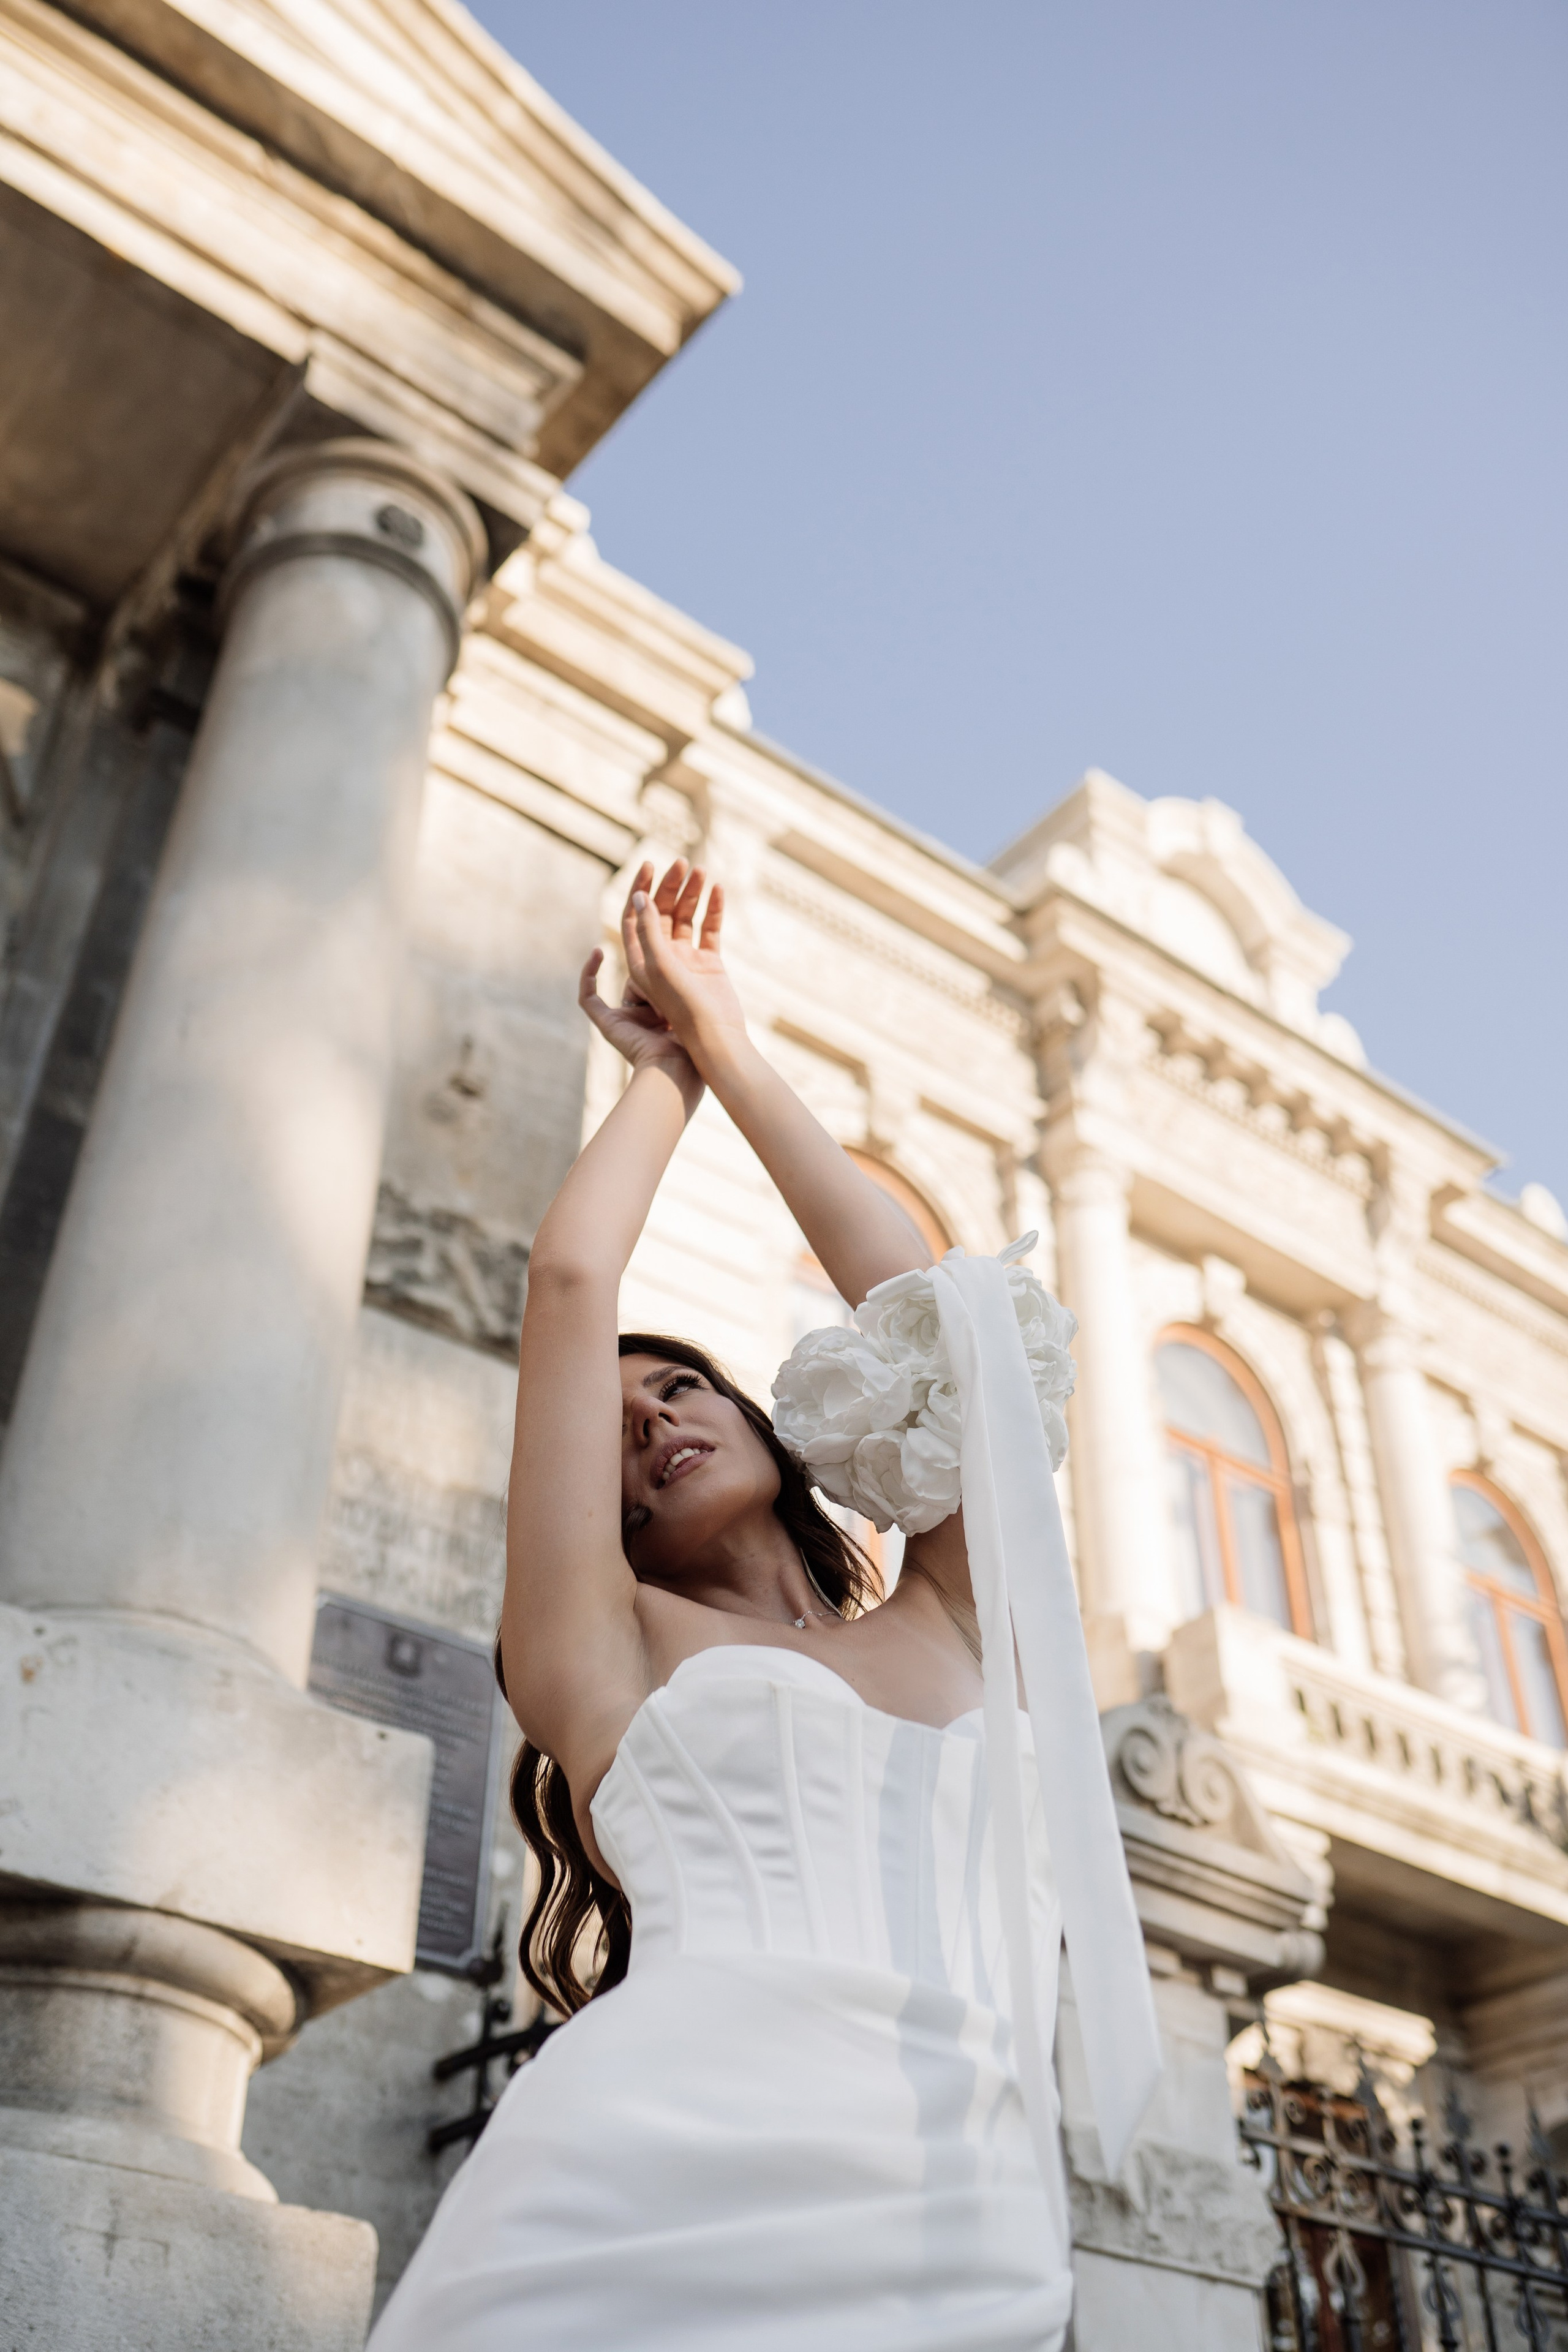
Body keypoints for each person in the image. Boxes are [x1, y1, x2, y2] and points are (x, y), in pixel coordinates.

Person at [368, 860, 1158, 2352]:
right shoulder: (600, 1655)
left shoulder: (962, 1620)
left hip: (962, 2220)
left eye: (678, 1387)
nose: (653, 1419)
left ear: (762, 1416)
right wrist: (658, 1079)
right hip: (639, 2182)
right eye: (612, 1432)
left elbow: (954, 1340)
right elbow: (569, 1277)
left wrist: (730, 1041)